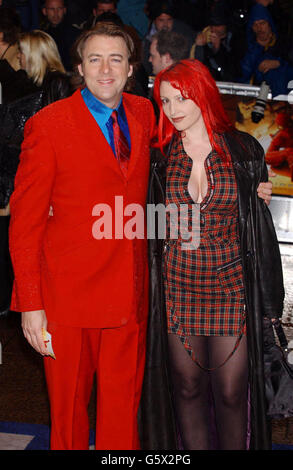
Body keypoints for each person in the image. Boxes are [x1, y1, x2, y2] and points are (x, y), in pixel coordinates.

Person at [8, 22, 155, 450]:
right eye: (95, 59)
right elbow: (25, 224)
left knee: (123, 414)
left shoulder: (144, 114)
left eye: (116, 59)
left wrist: (247, 174)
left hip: (129, 298)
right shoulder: (48, 126)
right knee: (68, 416)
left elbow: (192, 146)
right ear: (79, 67)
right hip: (66, 301)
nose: (105, 69)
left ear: (131, 69)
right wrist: (31, 305)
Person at [138, 58, 284, 450]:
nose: (173, 110)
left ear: (203, 94)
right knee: (186, 388)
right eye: (165, 102)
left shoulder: (242, 149)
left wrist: (260, 197)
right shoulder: (160, 157)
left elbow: (257, 227)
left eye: (182, 98)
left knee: (234, 391)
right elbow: (148, 223)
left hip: (229, 284)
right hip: (177, 283)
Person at [0, 29, 71, 316]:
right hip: (28, 169)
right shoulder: (39, 84)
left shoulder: (58, 84)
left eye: (22, 54)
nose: (19, 59)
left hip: (48, 175)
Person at [239, 3, 293, 97]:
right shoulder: (245, 45)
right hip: (253, 98)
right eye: (255, 25)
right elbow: (241, 74)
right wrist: (257, 49)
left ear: (269, 24)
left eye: (262, 23)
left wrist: (278, 64)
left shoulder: (284, 44)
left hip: (283, 99)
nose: (259, 28)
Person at [142, 1, 195, 76]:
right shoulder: (147, 39)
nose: (165, 25)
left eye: (169, 20)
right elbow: (147, 69)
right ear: (154, 21)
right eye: (161, 20)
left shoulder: (185, 33)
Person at [41, 0, 80, 70]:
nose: (56, 13)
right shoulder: (42, 35)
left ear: (64, 10)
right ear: (44, 11)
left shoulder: (75, 34)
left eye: (59, 9)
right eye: (51, 9)